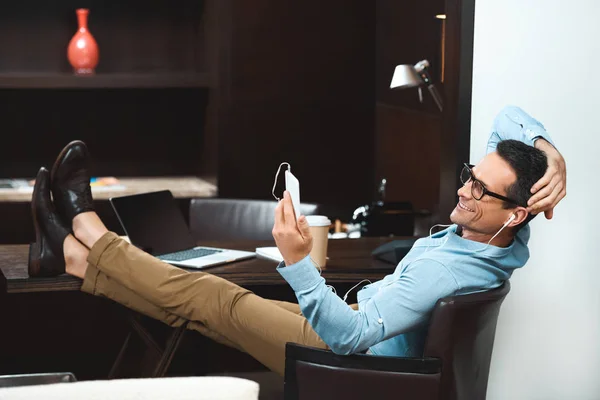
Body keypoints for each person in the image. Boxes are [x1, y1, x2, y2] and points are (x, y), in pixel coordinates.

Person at [28, 105, 566, 376]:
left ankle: (86, 242)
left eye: (478, 189)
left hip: (348, 359)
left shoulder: (447, 271)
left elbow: (352, 336)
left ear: (517, 211)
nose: (463, 190)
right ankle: (79, 252)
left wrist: (297, 261)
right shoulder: (505, 239)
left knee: (213, 297)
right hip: (353, 331)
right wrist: (551, 154)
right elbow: (505, 124)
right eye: (469, 175)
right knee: (199, 303)